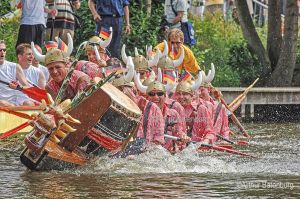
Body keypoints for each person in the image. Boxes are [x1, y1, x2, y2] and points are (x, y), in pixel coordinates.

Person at [0, 40, 34, 106]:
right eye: (0, 50)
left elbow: (28, 88)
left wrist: (18, 87)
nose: (2, 52)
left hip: (16, 100)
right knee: (2, 103)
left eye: (4, 50)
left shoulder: (15, 66)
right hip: (2, 102)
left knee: (29, 103)